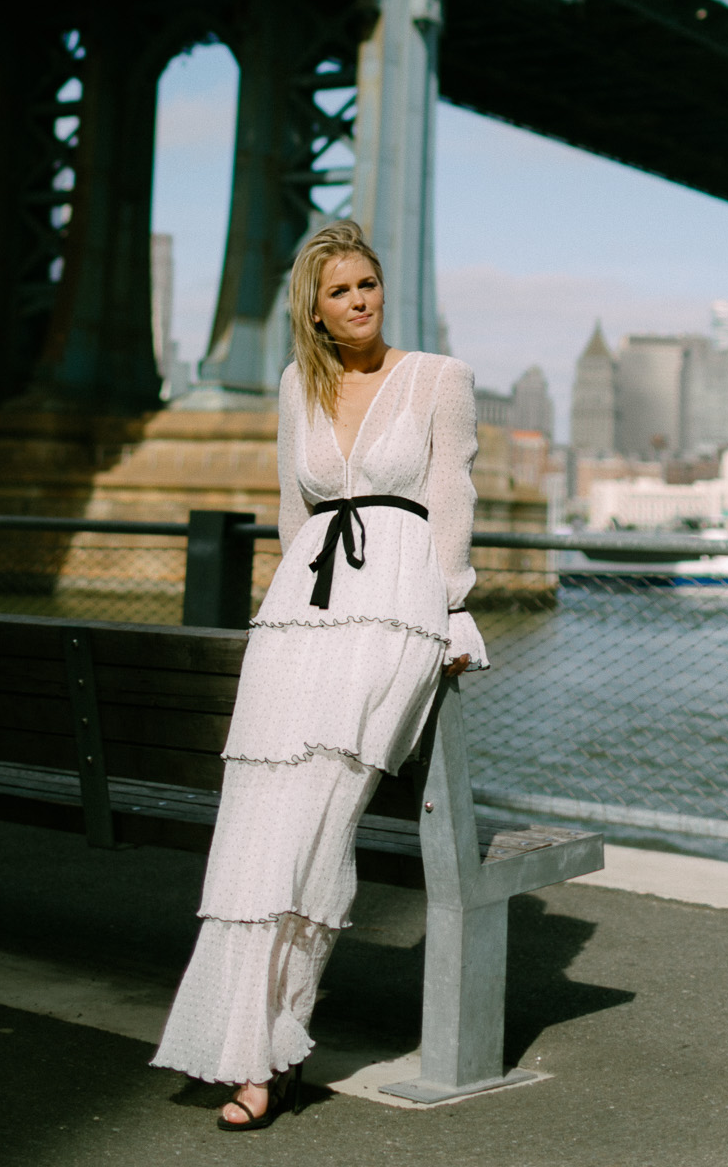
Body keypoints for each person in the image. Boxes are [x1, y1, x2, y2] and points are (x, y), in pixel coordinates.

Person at [152, 218, 489, 1129]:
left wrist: (453, 605)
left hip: (393, 607)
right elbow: (291, 511)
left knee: (315, 824)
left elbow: (450, 497)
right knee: (258, 825)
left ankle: (273, 1043)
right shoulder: (298, 383)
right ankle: (243, 1044)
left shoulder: (438, 379)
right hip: (301, 612)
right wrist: (286, 613)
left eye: (368, 284)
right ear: (314, 307)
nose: (360, 301)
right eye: (340, 291)